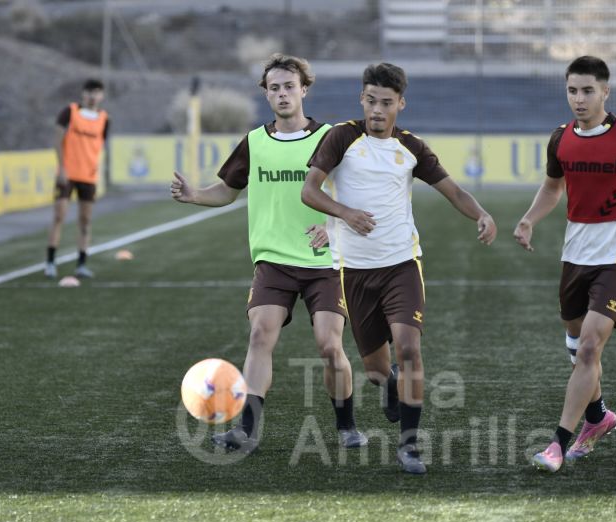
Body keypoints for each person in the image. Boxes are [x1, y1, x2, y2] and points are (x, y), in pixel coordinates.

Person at [301, 63, 497, 474]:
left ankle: (409, 447)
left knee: (409, 348)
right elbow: (310, 191)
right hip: (353, 271)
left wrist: (480, 214)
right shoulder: (341, 137)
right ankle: (390, 383)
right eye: (371, 100)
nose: (377, 109)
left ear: (400, 104)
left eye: (386, 103)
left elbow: (452, 189)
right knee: (375, 371)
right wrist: (345, 213)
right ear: (362, 100)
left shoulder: (411, 147)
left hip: (401, 266)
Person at [170, 54, 366, 454]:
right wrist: (195, 195)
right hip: (273, 260)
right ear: (265, 93)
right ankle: (247, 431)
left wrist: (333, 227)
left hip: (323, 263)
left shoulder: (330, 139)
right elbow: (227, 189)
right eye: (274, 88)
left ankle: (346, 425)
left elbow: (359, 196)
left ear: (304, 90)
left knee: (330, 346)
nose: (282, 94)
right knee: (260, 335)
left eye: (289, 86)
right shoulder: (254, 142)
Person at [512, 56, 616, 473]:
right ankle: (599, 416)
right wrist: (529, 219)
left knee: (589, 347)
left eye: (588, 90)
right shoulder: (561, 138)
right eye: (572, 90)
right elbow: (553, 188)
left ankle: (557, 444)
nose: (579, 98)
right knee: (576, 347)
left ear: (606, 91)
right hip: (576, 254)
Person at [45, 79, 110, 279]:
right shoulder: (70, 112)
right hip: (67, 174)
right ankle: (50, 262)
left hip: (88, 177)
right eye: (90, 92)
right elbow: (57, 139)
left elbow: (101, 146)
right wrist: (62, 167)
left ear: (102, 96)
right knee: (59, 216)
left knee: (85, 220)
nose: (93, 96)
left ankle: (81, 264)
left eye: (97, 92)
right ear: (83, 93)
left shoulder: (105, 118)